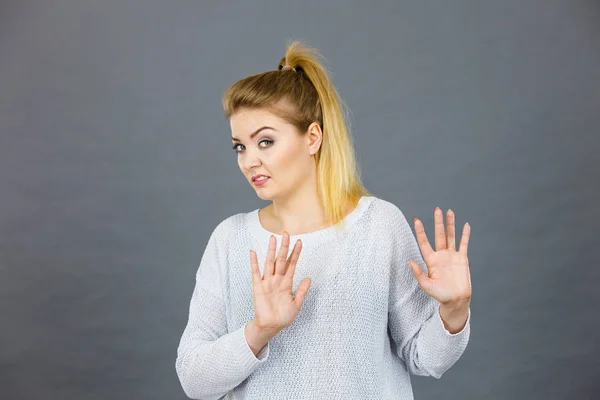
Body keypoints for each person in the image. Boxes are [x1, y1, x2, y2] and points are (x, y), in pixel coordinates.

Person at [175, 40, 472, 400]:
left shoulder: (378, 225)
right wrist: (259, 330)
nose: (248, 160)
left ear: (312, 138)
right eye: (240, 146)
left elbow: (425, 359)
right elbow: (194, 380)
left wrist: (454, 311)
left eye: (265, 142)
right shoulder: (230, 239)